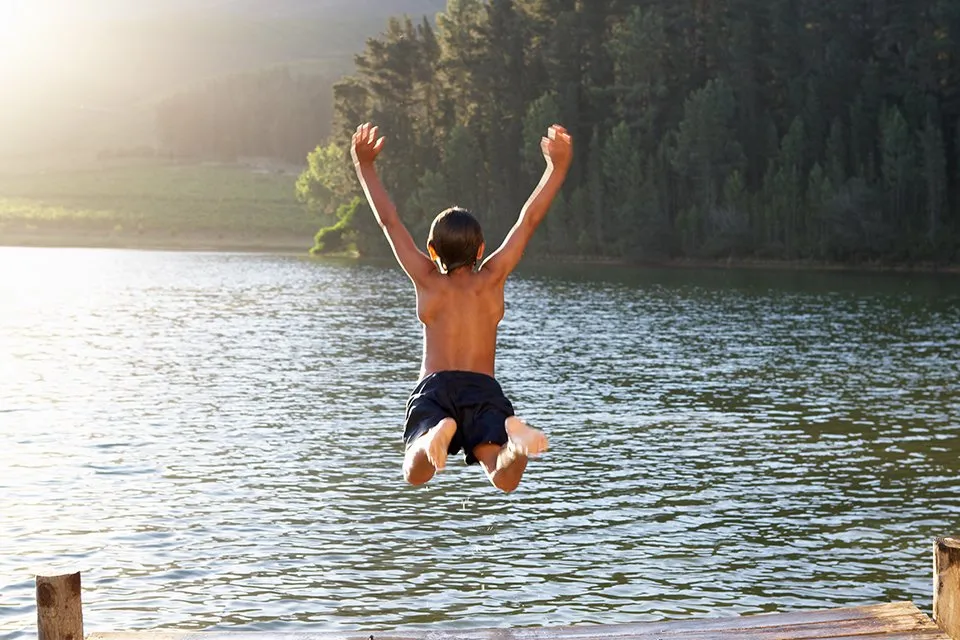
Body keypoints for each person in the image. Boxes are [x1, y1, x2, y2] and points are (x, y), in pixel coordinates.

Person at [351, 122, 573, 492]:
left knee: (416, 472)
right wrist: (557, 167)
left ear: (433, 251)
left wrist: (365, 166)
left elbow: (389, 221)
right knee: (503, 477)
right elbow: (528, 220)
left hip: (435, 389)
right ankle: (515, 446)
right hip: (482, 389)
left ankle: (434, 434)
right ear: (482, 250)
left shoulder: (427, 279)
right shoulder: (492, 279)